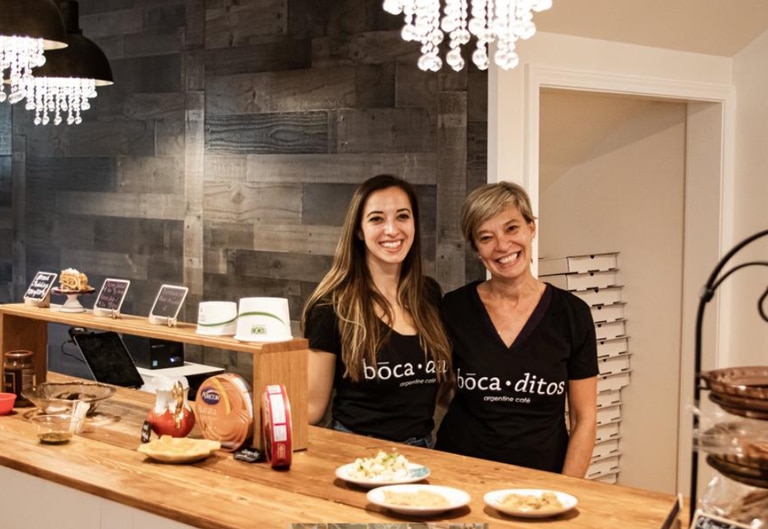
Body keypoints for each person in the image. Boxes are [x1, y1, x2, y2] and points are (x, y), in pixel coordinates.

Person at [434, 181, 598, 477]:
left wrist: (567, 490)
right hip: (459, 475)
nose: (502, 246)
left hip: (540, 480)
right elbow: (433, 391)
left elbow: (584, 417)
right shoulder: (453, 308)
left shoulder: (572, 314)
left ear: (531, 228)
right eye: (486, 237)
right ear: (476, 249)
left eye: (512, 228)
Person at [301, 174, 452, 447]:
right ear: (359, 230)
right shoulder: (331, 306)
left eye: (402, 216)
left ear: (415, 224)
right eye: (377, 219)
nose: (392, 230)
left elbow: (439, 388)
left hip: (423, 454)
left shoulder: (429, 295)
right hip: (355, 454)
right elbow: (311, 409)